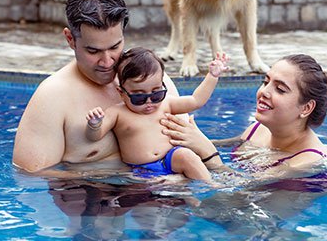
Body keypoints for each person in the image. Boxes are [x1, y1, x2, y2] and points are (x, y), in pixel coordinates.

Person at [12, 0, 179, 174]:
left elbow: (190, 139)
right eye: (93, 51)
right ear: (70, 39)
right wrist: (131, 181)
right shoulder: (53, 97)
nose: (107, 62)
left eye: (115, 47)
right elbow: (30, 172)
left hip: (168, 190)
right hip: (98, 197)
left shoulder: (150, 78)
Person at [161, 54, 327, 176]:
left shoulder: (307, 161)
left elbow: (242, 194)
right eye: (265, 82)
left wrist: (209, 153)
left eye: (280, 89)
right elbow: (217, 146)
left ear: (306, 108)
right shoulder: (258, 129)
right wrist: (185, 138)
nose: (264, 92)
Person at [85, 48, 229, 180]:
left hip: (171, 159)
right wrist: (95, 124)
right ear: (122, 93)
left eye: (156, 94)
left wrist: (212, 76)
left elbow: (196, 101)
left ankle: (212, 189)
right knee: (178, 199)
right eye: (139, 97)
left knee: (187, 156)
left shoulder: (166, 103)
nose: (149, 102)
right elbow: (94, 136)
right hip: (141, 170)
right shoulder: (117, 113)